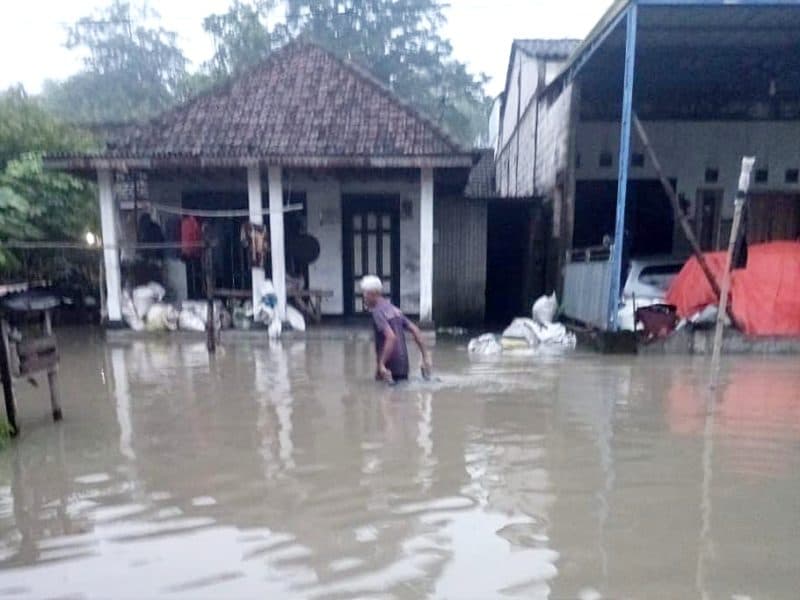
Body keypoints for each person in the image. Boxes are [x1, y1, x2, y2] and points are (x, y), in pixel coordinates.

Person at [361, 275, 432, 384]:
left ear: (372, 294)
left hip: (389, 368)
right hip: (403, 367)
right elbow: (415, 330)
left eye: (365, 294)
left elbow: (391, 337)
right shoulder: (394, 309)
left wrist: (381, 364)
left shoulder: (378, 313)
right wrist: (425, 357)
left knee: (385, 396)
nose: (364, 298)